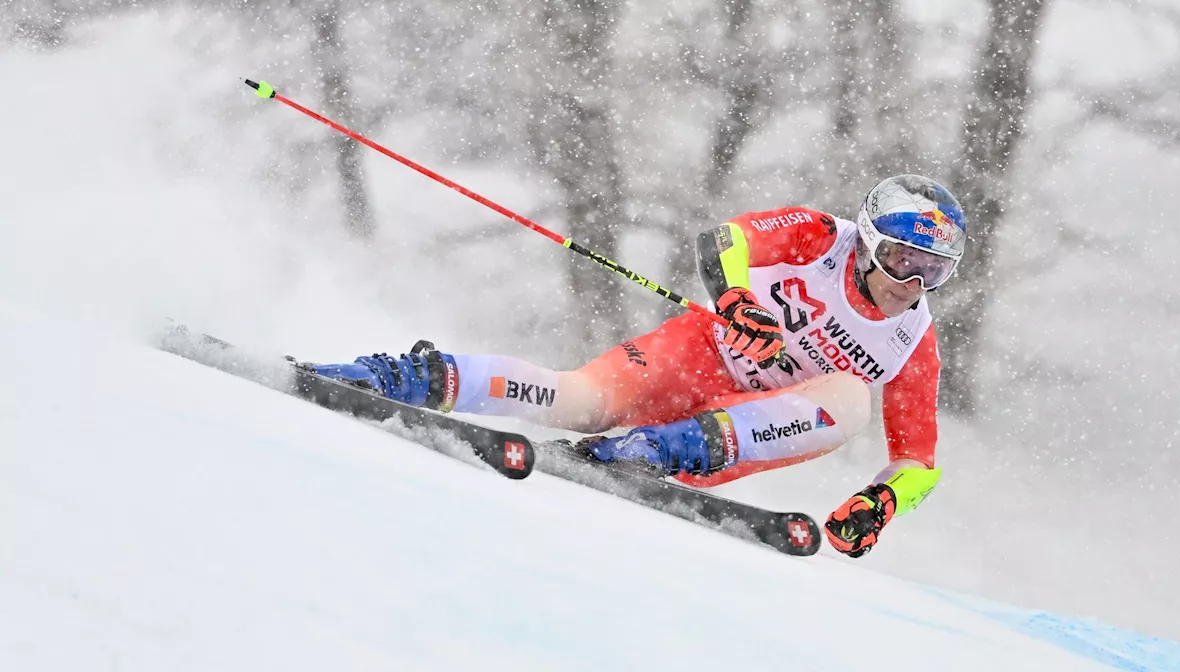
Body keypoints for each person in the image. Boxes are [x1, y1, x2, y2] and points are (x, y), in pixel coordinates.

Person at [308, 174, 966, 558]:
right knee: (579, 399)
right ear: (873, 243)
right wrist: (735, 297)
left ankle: (646, 452)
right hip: (695, 357)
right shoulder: (823, 237)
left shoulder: (913, 341)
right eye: (907, 260)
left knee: (851, 399)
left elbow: (920, 464)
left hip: (738, 428)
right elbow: (727, 239)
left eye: (935, 271)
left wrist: (880, 502)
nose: (915, 282)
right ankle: (406, 376)